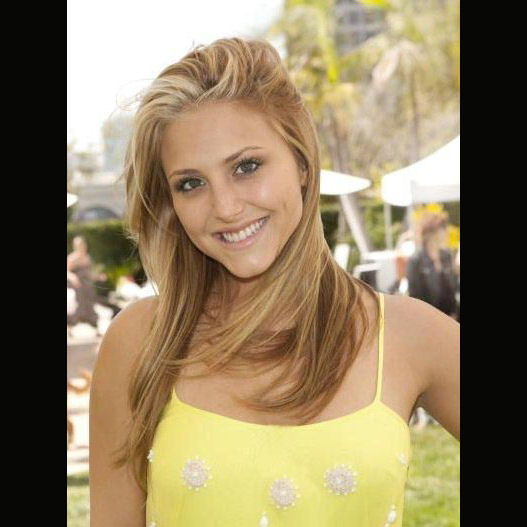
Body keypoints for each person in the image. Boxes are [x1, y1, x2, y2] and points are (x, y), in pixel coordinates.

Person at [90, 38, 459, 526]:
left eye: (246, 167)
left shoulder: (410, 336)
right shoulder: (141, 342)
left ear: (302, 163)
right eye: (191, 184)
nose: (225, 207)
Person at [406, 212, 458, 318]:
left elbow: (453, 288)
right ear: (431, 233)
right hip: (428, 318)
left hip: (451, 317)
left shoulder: (447, 256)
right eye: (443, 229)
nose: (446, 233)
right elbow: (415, 296)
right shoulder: (416, 260)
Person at [67, 235, 99, 332]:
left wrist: (97, 277)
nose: (82, 246)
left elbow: (89, 273)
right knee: (77, 307)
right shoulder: (72, 258)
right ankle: (70, 329)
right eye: (79, 245)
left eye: (82, 244)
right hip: (77, 287)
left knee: (90, 306)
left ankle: (96, 329)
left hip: (87, 287)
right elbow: (67, 272)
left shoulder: (87, 257)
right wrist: (73, 277)